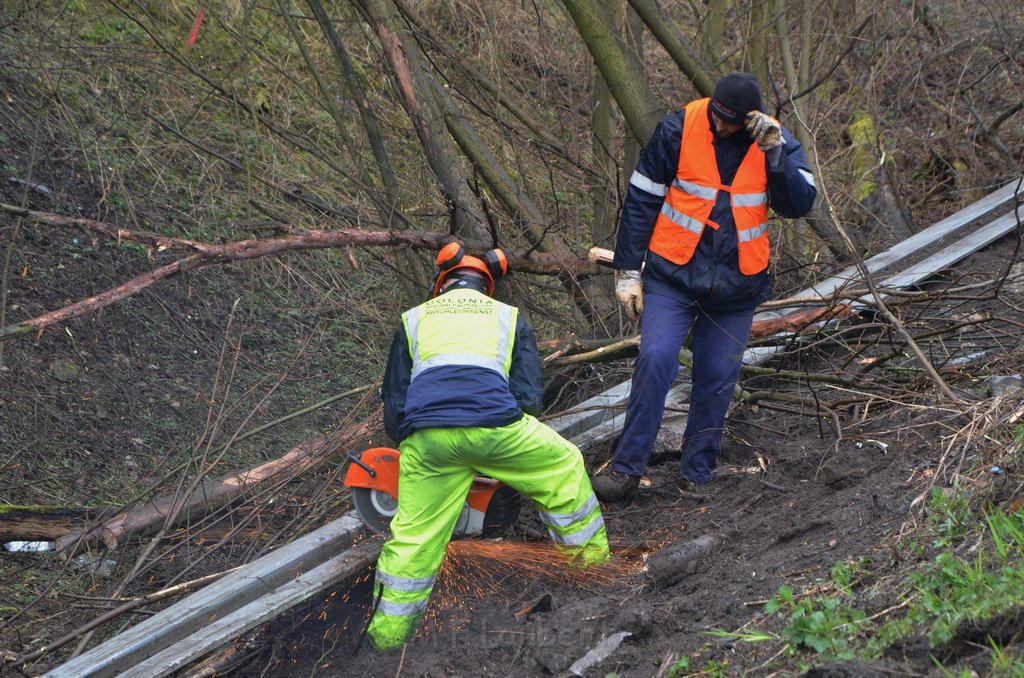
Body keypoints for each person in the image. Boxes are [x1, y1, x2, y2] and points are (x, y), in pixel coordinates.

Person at [366, 243, 610, 651]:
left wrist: (419, 446)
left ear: (441, 283)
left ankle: (386, 639)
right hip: (497, 428)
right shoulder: (508, 317)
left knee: (414, 536)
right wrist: (493, 451)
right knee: (563, 464)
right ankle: (592, 575)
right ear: (488, 285)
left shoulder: (413, 319)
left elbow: (395, 405)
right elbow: (529, 399)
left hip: (429, 440)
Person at [591, 72, 817, 503]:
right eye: (717, 116)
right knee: (656, 360)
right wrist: (627, 271)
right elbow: (641, 199)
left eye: (730, 122)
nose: (719, 126)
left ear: (749, 118)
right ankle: (625, 470)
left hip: (737, 286)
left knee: (717, 378)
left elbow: (800, 203)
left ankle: (696, 472)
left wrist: (775, 156)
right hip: (672, 275)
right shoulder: (678, 127)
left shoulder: (773, 138)